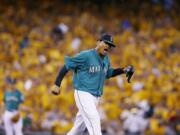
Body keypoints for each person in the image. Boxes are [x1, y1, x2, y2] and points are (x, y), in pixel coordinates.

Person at [51, 33, 135, 135]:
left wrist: (123, 70)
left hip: (95, 98)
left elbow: (108, 73)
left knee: (78, 130)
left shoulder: (106, 58)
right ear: (98, 42)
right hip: (83, 93)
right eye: (106, 43)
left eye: (110, 45)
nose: (108, 46)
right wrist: (57, 84)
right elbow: (67, 65)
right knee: (94, 120)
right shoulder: (86, 55)